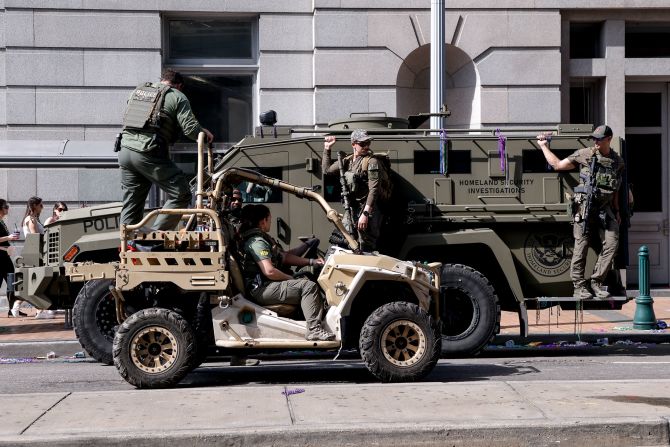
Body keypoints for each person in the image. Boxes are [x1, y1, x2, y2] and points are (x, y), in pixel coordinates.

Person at [118, 68, 214, 231]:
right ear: (179, 85)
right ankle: (155, 238)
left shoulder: (138, 92)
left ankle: (127, 244)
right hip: (148, 152)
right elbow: (190, 129)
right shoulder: (177, 96)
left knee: (132, 202)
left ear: (161, 80)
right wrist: (204, 133)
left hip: (125, 151)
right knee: (181, 193)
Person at [537, 125, 625, 299]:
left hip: (604, 209)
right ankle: (579, 286)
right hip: (585, 207)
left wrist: (617, 211)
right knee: (581, 246)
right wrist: (543, 146)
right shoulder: (585, 154)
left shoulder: (617, 161)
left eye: (600, 138)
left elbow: (616, 189)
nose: (596, 141)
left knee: (612, 243)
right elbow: (557, 165)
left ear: (609, 139)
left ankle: (597, 282)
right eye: (594, 139)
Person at [240, 204, 334, 341]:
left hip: (265, 285)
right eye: (270, 219)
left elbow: (284, 257)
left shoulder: (261, 238)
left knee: (306, 277)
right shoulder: (257, 241)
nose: (270, 222)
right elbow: (270, 271)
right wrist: (290, 278)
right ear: (263, 221)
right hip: (261, 288)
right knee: (308, 287)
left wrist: (311, 261)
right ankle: (314, 329)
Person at [322, 129, 390, 252]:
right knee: (342, 240)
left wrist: (366, 214)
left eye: (368, 143)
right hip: (352, 209)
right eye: (362, 144)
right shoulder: (347, 161)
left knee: (365, 246)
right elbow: (327, 170)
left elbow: (373, 189)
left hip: (368, 210)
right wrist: (327, 148)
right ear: (353, 144)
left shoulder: (372, 162)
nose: (366, 146)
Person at [22, 197, 54, 319]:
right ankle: (39, 311)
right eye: (40, 205)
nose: (42, 207)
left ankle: (40, 310)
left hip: (35, 252)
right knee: (38, 281)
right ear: (34, 206)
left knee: (38, 281)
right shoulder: (31, 219)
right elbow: (35, 236)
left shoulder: (34, 219)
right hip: (35, 253)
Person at [0, 199, 24, 317]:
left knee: (12, 281)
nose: (7, 209)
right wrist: (8, 237)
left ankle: (12, 309)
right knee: (10, 281)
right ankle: (12, 308)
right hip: (0, 258)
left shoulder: (2, 222)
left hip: (5, 257)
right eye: (5, 207)